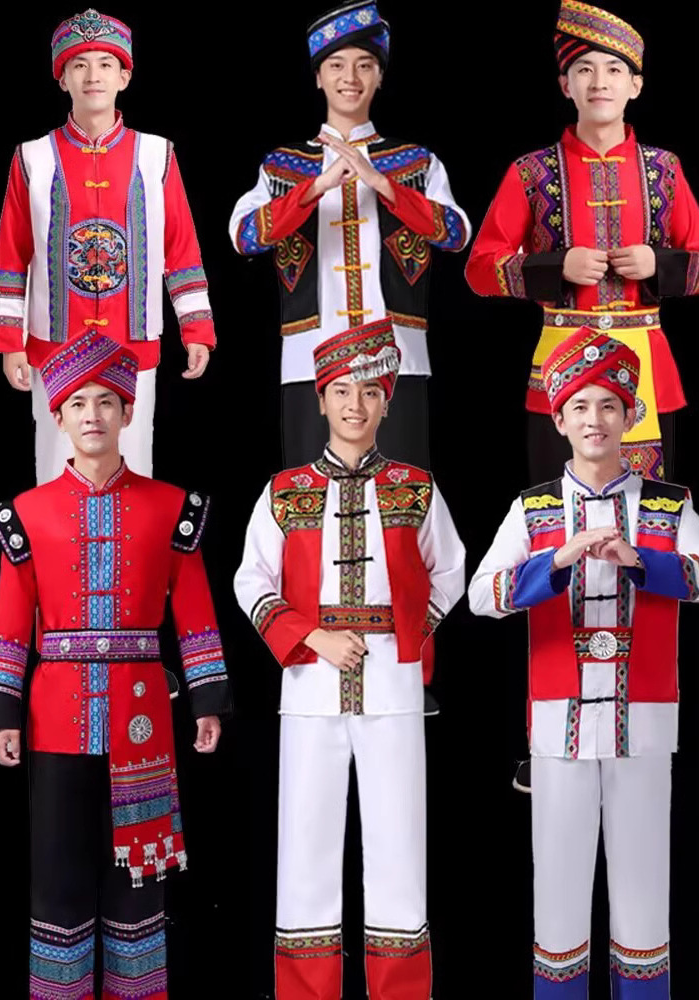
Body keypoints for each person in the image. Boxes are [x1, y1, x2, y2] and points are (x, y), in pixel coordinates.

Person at [468, 326, 699, 998]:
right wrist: (555, 562)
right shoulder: (531, 509)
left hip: (643, 726)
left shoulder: (669, 504)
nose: (595, 419)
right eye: (580, 406)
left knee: (643, 902)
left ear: (631, 416)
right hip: (557, 729)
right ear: (559, 419)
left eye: (609, 405)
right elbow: (480, 597)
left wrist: (642, 561)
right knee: (558, 903)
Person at [0, 330, 232, 999]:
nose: (91, 414)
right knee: (57, 876)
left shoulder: (173, 507)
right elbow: (11, 619)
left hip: (143, 721)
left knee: (139, 879)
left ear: (126, 412)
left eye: (105, 402)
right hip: (53, 721)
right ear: (59, 418)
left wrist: (207, 700)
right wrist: (3, 713)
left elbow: (196, 612)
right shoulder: (25, 514)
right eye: (77, 403)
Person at [234, 318, 465, 999]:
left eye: (369, 392)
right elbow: (251, 580)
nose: (354, 405)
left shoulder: (417, 488)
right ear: (320, 400)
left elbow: (451, 571)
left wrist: (410, 636)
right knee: (305, 848)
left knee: (399, 847)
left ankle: (401, 992)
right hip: (308, 688)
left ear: (387, 403)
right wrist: (312, 638)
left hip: (394, 688)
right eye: (341, 391)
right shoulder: (283, 491)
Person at [465, 0, 699, 486]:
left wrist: (657, 262)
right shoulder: (530, 172)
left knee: (645, 514)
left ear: (635, 85)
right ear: (566, 85)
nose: (600, 81)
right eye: (584, 69)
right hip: (559, 365)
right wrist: (554, 267)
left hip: (647, 367)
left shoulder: (665, 169)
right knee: (559, 510)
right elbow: (479, 269)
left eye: (614, 70)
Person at [228, 1, 470, 471]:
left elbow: (456, 232)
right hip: (308, 358)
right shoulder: (283, 165)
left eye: (364, 65)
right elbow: (244, 236)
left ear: (380, 77)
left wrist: (385, 185)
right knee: (310, 497)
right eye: (336, 65)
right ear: (318, 77)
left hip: (398, 357)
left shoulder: (414, 160)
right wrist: (314, 188)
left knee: (400, 494)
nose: (350, 77)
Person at [0, 7, 216, 484]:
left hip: (131, 343)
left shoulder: (157, 155)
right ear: (62, 78)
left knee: (133, 469)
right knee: (56, 470)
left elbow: (180, 247)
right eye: (80, 65)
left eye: (105, 64)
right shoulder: (32, 157)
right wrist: (11, 343)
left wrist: (196, 329)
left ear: (124, 77)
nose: (93, 76)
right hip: (54, 344)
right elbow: (12, 254)